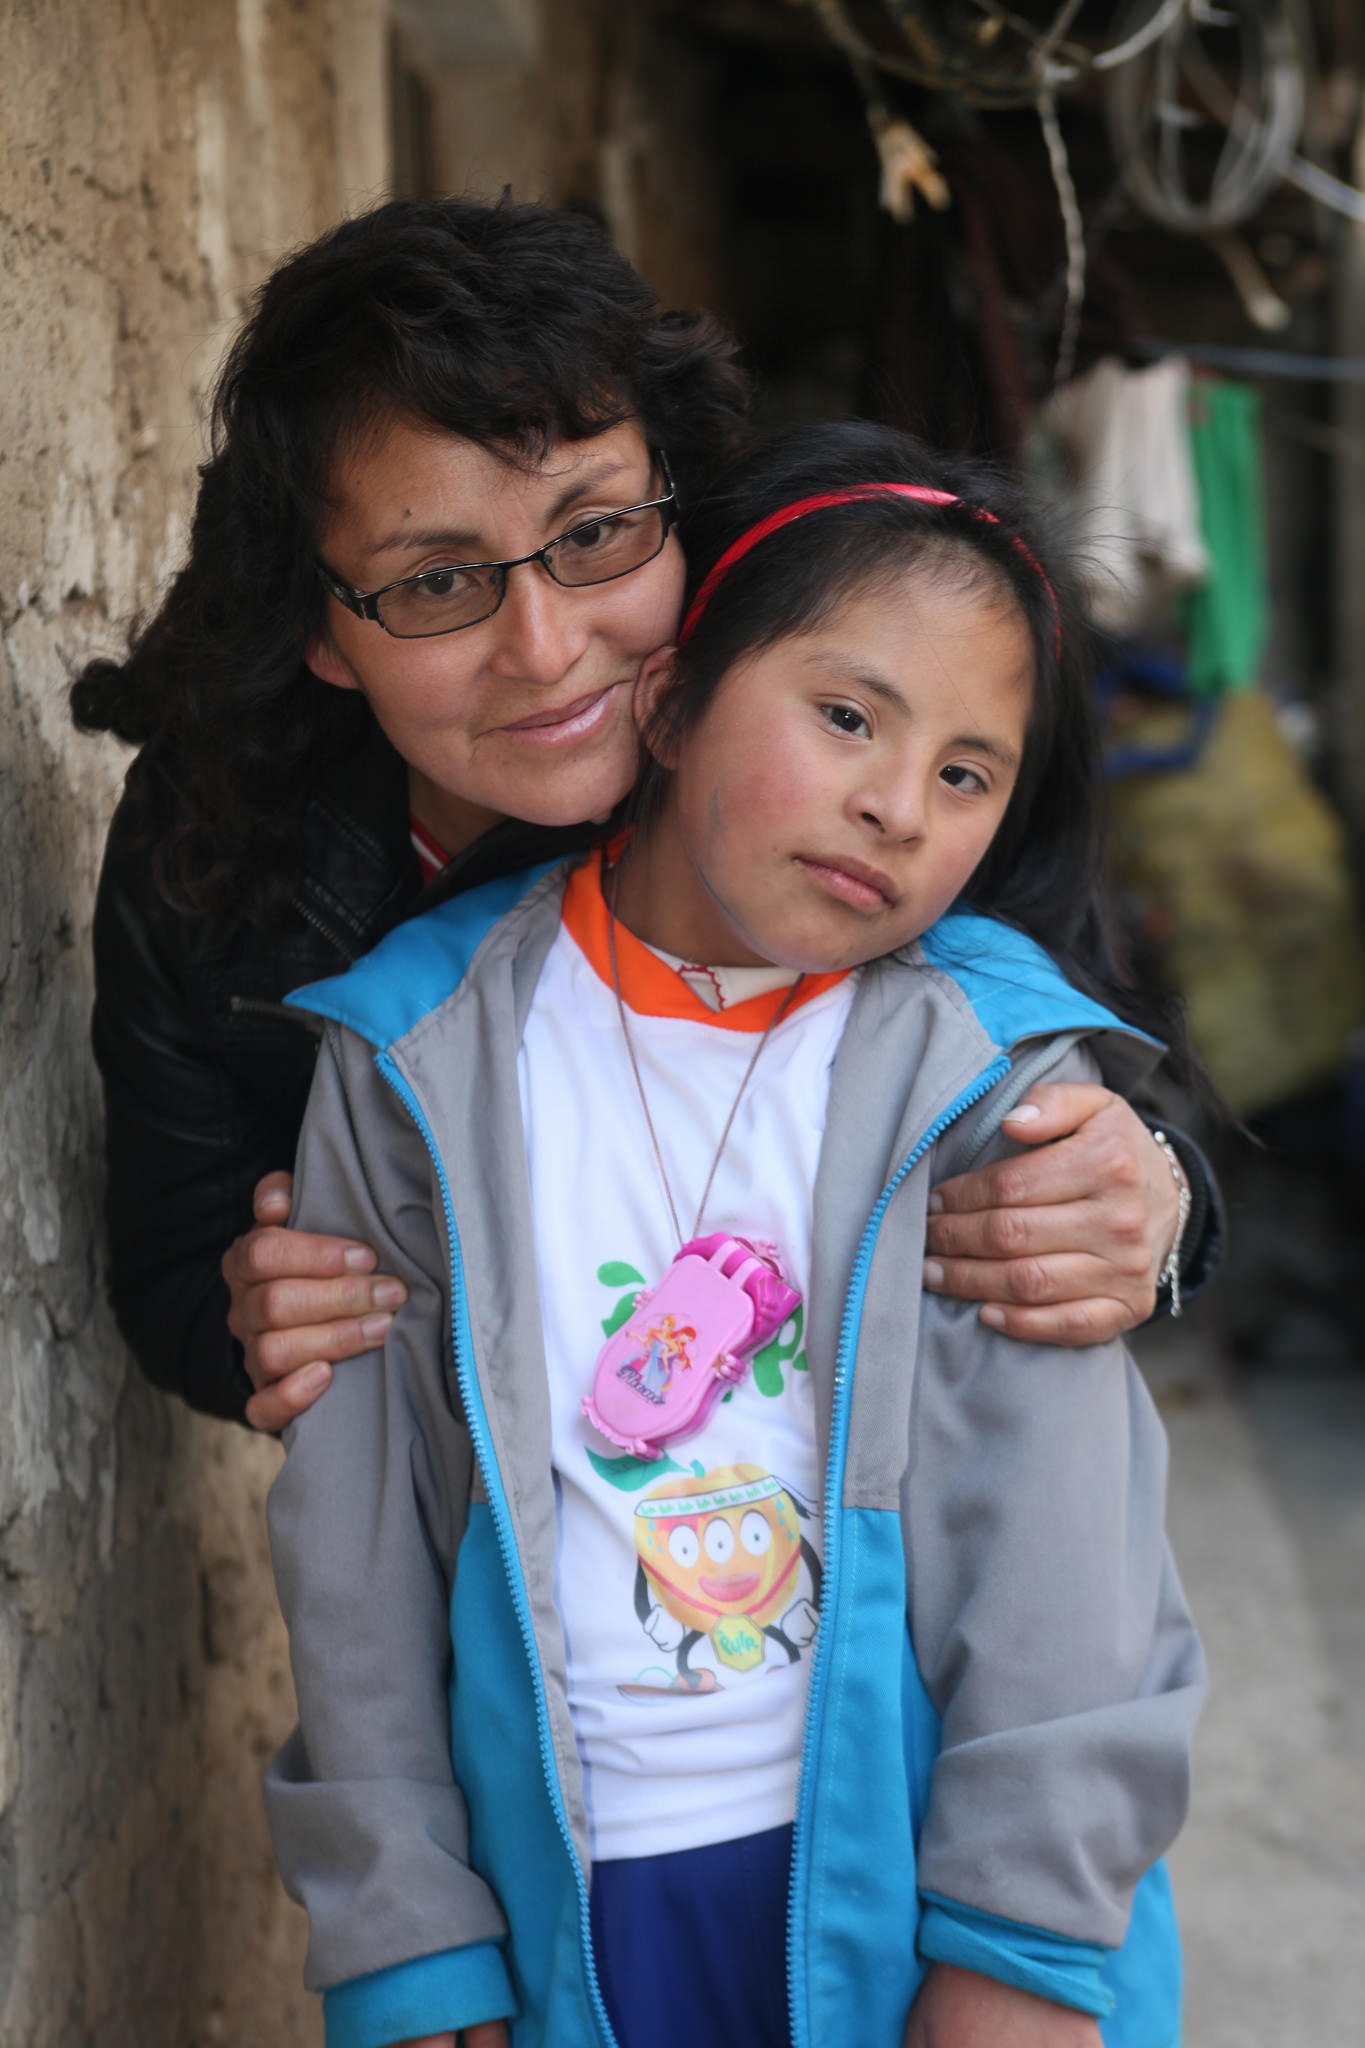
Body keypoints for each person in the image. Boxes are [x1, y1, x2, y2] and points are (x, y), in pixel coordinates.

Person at [264, 422, 1205, 2048]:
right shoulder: (414, 1058)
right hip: (567, 1890)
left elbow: (1069, 1551)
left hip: (916, 1889)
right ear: (675, 696)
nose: (898, 806)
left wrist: (1023, 1945)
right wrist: (403, 1928)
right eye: (847, 715)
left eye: (966, 771)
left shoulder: (985, 1085)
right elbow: (356, 1540)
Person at [72, 197, 1219, 1438]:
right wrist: (261, 1322)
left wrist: (1154, 1191)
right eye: (439, 581)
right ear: (320, 627)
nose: (550, 649)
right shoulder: (211, 844)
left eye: (597, 530)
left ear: (678, 501)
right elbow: (175, 1278)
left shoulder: (827, 732)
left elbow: (1061, 1027)